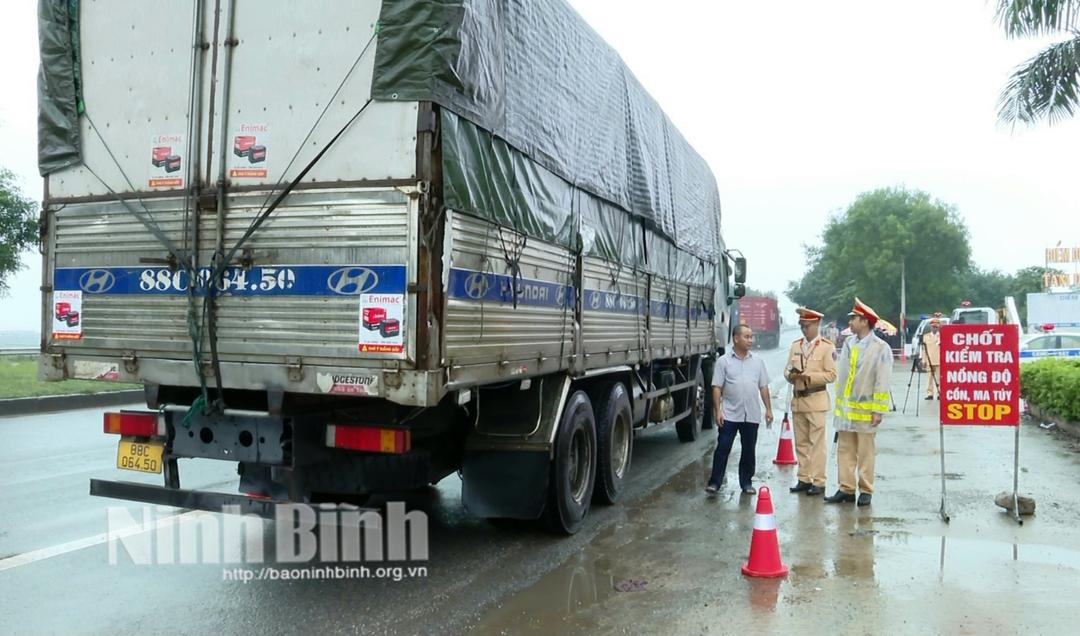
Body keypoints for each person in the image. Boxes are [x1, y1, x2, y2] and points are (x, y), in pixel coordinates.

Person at [825, 298, 893, 507]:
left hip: (866, 412)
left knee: (865, 453)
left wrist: (878, 411)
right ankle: (846, 489)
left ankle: (865, 490)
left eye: (854, 318)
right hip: (846, 411)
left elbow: (883, 381)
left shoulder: (881, 347)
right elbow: (843, 376)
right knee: (845, 451)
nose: (851, 322)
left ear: (865, 321)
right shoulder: (848, 343)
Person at [706, 324, 774, 496]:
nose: (750, 340)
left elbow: (763, 387)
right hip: (729, 414)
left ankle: (746, 483)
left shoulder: (758, 362)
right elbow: (716, 388)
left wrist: (768, 410)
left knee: (748, 450)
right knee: (723, 448)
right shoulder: (724, 361)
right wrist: (718, 411)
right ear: (736, 338)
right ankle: (715, 482)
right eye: (747, 337)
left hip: (751, 414)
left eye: (751, 337)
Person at [785, 307, 837, 496]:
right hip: (798, 400)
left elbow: (831, 375)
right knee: (801, 443)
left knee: (817, 444)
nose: (804, 329)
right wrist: (791, 376)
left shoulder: (826, 347)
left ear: (816, 324)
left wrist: (810, 376)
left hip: (816, 399)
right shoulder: (796, 346)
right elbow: (787, 369)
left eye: (807, 326)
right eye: (801, 326)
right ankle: (804, 478)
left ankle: (819, 481)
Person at [921, 315, 942, 400]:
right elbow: (923, 349)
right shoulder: (926, 336)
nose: (934, 328)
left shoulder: (941, 336)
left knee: (939, 379)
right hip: (929, 359)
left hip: (939, 360)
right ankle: (930, 394)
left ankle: (939, 393)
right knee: (929, 379)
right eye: (933, 327)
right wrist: (923, 360)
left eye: (936, 327)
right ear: (931, 327)